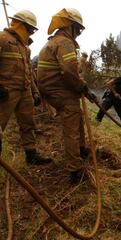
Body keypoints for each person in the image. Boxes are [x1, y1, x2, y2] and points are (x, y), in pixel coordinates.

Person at [37, 8, 96, 183]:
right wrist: (84, 88)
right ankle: (75, 170)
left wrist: (80, 88)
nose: (78, 33)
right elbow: (69, 72)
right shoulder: (64, 43)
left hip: (56, 89)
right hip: (60, 90)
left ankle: (81, 149)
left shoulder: (56, 41)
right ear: (70, 26)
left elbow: (69, 71)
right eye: (78, 29)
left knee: (76, 117)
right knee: (71, 128)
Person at [0, 10, 52, 165]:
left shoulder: (25, 48)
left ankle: (31, 155)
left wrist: (35, 92)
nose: (30, 33)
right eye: (29, 29)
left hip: (24, 91)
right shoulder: (2, 39)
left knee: (27, 123)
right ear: (20, 24)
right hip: (5, 92)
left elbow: (29, 72)